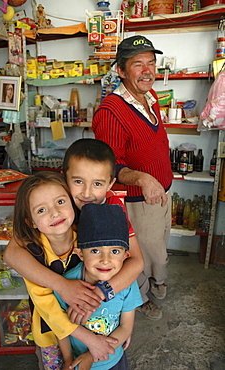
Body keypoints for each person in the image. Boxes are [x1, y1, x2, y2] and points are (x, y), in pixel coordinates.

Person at [3, 139, 144, 362]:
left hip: (98, 314)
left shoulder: (111, 209)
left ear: (109, 184)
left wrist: (102, 296)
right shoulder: (56, 205)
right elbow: (11, 254)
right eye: (78, 181)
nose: (87, 193)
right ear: (64, 178)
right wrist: (63, 286)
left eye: (97, 184)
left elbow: (135, 261)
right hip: (54, 322)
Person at [92, 35, 173, 320]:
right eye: (138, 64)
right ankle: (140, 299)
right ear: (121, 71)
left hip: (162, 193)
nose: (148, 70)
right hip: (138, 200)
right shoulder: (111, 112)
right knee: (140, 257)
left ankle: (155, 284)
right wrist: (143, 179)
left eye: (151, 62)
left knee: (159, 249)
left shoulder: (150, 98)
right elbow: (109, 165)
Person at [12, 171, 118, 369]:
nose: (54, 213)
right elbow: (48, 309)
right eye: (41, 210)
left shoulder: (89, 240)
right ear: (31, 222)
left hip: (93, 324)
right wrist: (89, 339)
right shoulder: (33, 257)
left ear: (71, 202)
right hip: (51, 334)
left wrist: (123, 327)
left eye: (60, 202)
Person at [55, 202, 143, 370]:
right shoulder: (67, 285)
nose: (105, 260)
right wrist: (67, 360)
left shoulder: (127, 283)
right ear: (80, 253)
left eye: (115, 251)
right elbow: (61, 327)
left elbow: (126, 327)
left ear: (126, 255)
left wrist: (91, 356)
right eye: (95, 251)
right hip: (77, 362)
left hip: (112, 360)